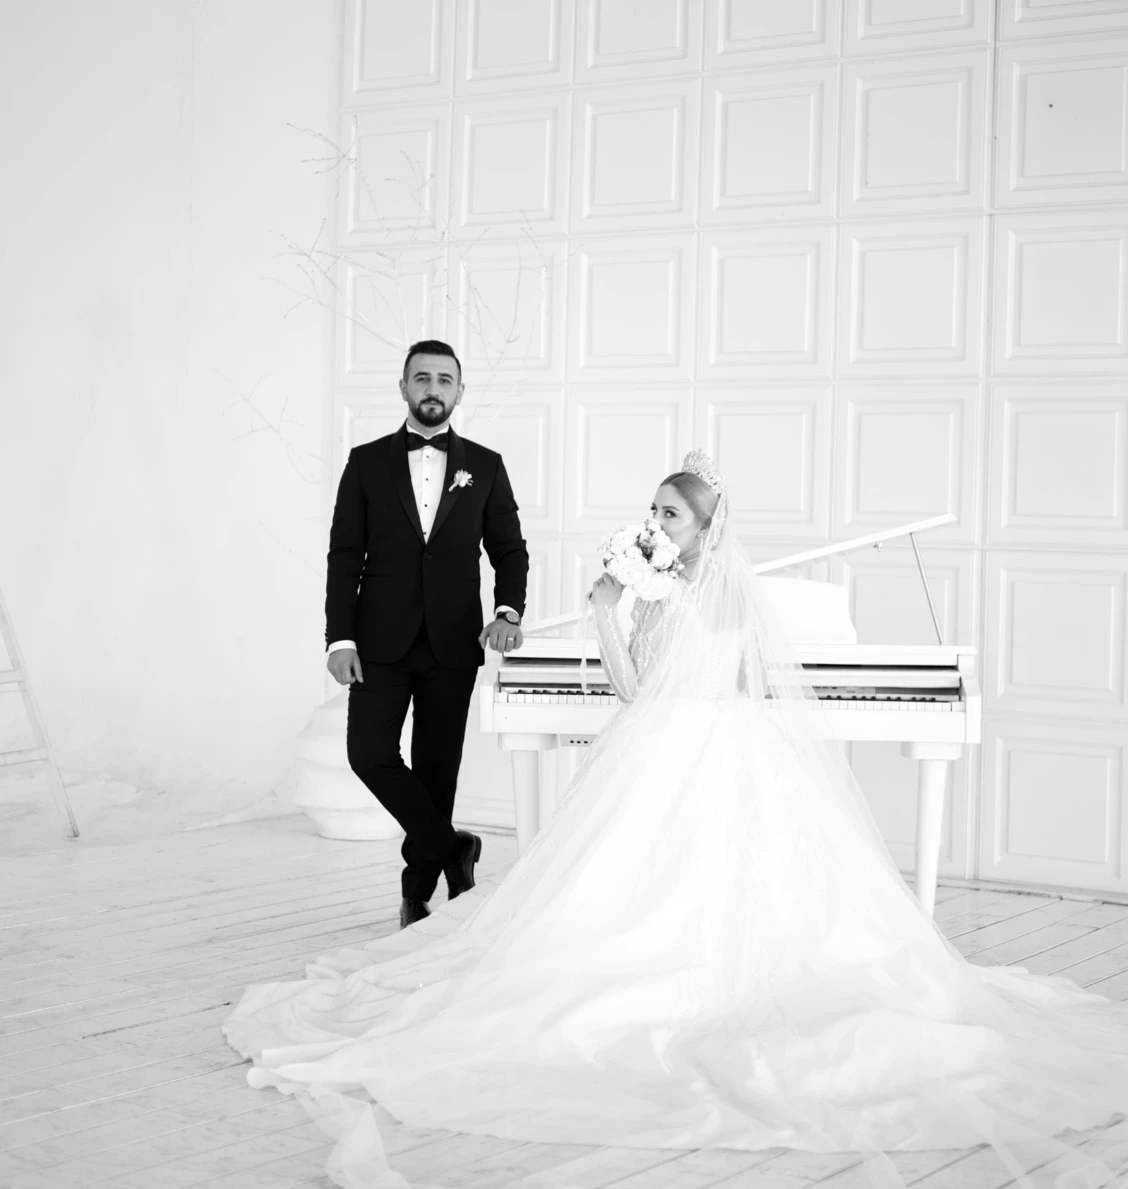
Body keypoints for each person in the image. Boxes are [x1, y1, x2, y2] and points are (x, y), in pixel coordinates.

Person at [226, 451, 1128, 1189]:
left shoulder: (715, 594)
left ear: (702, 528)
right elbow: (635, 688)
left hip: (704, 746)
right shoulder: (657, 589)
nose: (654, 523)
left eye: (669, 514)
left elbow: (699, 688)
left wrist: (645, 630)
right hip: (663, 738)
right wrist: (609, 609)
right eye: (652, 510)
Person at [323, 339, 528, 930]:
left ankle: (417, 896)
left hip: (453, 642)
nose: (433, 388)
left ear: (459, 391)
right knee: (368, 754)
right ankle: (452, 847)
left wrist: (507, 612)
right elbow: (344, 554)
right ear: (403, 388)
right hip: (378, 642)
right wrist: (340, 639)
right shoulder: (365, 462)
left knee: (438, 771)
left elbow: (509, 549)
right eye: (422, 378)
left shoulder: (485, 465)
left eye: (444, 379)